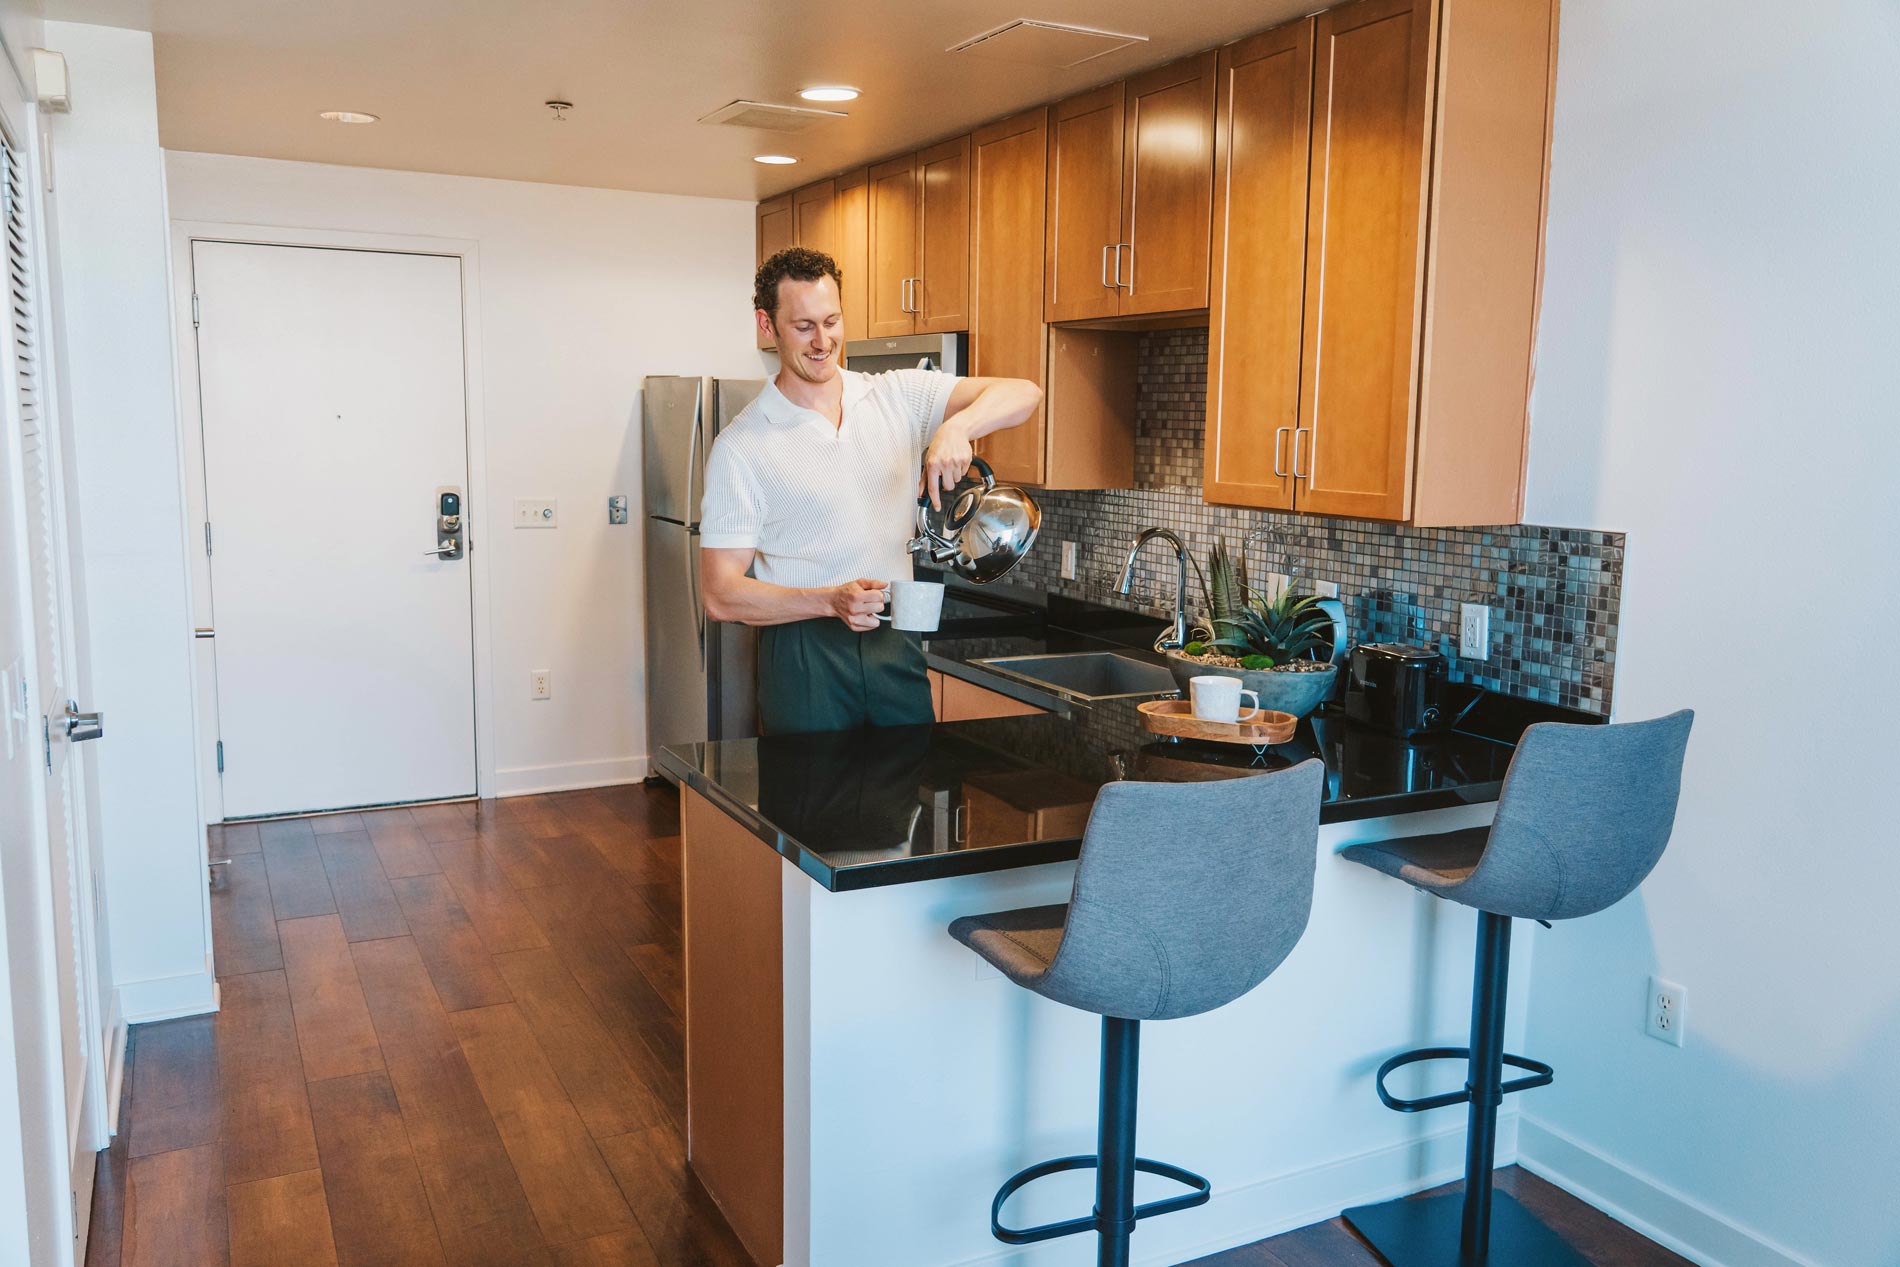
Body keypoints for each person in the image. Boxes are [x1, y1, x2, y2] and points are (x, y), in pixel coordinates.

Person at [698, 246, 1041, 735]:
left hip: (895, 644)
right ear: (766, 324)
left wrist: (957, 427)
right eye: (804, 326)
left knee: (903, 798)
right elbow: (721, 594)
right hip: (802, 654)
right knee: (809, 801)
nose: (823, 341)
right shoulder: (741, 446)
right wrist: (828, 600)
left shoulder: (896, 395)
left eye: (832, 321)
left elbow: (1025, 392)